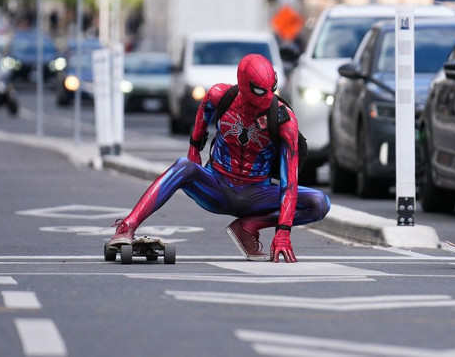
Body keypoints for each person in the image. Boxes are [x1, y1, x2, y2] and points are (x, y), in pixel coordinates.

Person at [108, 53, 330, 263]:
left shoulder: (283, 120)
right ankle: (127, 226)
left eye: (270, 90)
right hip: (217, 186)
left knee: (319, 203)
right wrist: (194, 152)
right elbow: (200, 125)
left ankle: (248, 227)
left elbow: (289, 182)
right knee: (183, 166)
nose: (266, 99)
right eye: (259, 93)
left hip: (257, 194)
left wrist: (283, 232)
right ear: (243, 85)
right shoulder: (219, 96)